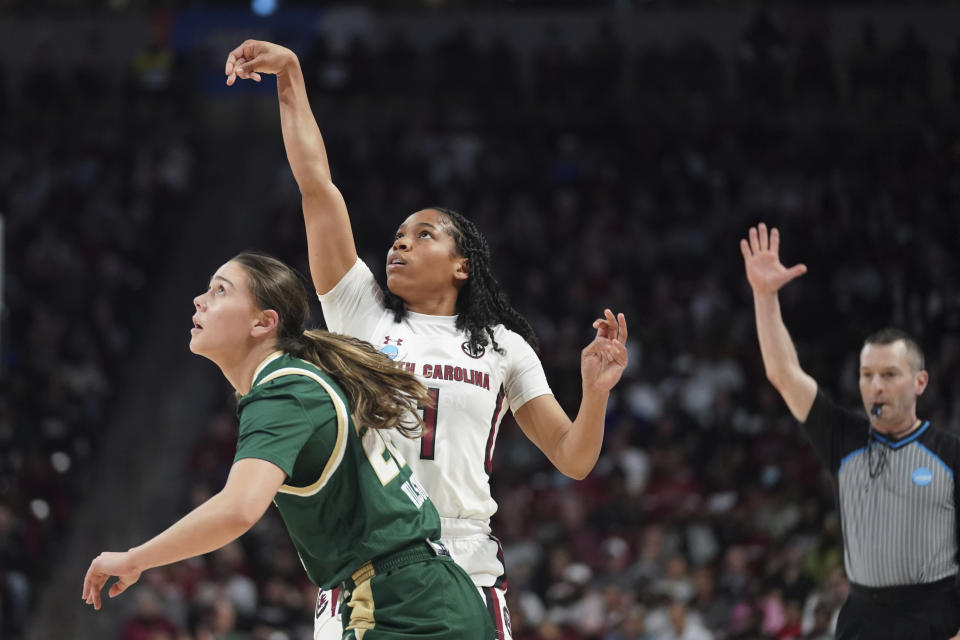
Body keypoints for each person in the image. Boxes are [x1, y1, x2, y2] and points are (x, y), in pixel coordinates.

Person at [224, 40, 629, 640]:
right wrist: (291, 76)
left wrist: (594, 394)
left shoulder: (504, 346)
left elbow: (572, 458)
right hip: (364, 557)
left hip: (463, 560)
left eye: (422, 234)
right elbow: (317, 187)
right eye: (396, 236)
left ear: (463, 264)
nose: (400, 243)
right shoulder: (361, 311)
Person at [82, 251, 495, 640]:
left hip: (405, 604)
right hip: (426, 594)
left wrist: (135, 558)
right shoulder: (295, 381)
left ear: (262, 323)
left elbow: (238, 509)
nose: (199, 299)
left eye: (220, 290)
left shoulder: (283, 390)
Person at [740, 222, 960, 640]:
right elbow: (783, 373)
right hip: (860, 617)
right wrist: (765, 296)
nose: (875, 385)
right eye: (867, 374)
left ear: (920, 382)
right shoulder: (843, 437)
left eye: (890, 374)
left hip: (932, 617)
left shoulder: (950, 454)